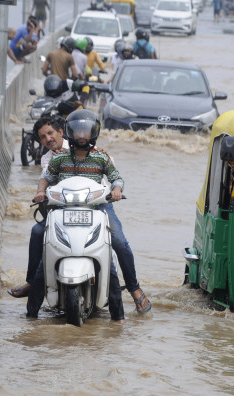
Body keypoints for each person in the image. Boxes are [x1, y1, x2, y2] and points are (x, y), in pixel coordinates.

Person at [27, 110, 152, 318]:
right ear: (70, 133)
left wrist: (117, 189)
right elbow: (45, 178)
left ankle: (133, 291)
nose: (81, 136)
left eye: (85, 132)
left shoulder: (101, 156)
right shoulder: (57, 159)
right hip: (64, 209)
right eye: (77, 132)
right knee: (44, 255)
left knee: (118, 242)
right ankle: (31, 316)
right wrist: (41, 191)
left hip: (98, 206)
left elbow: (116, 177)